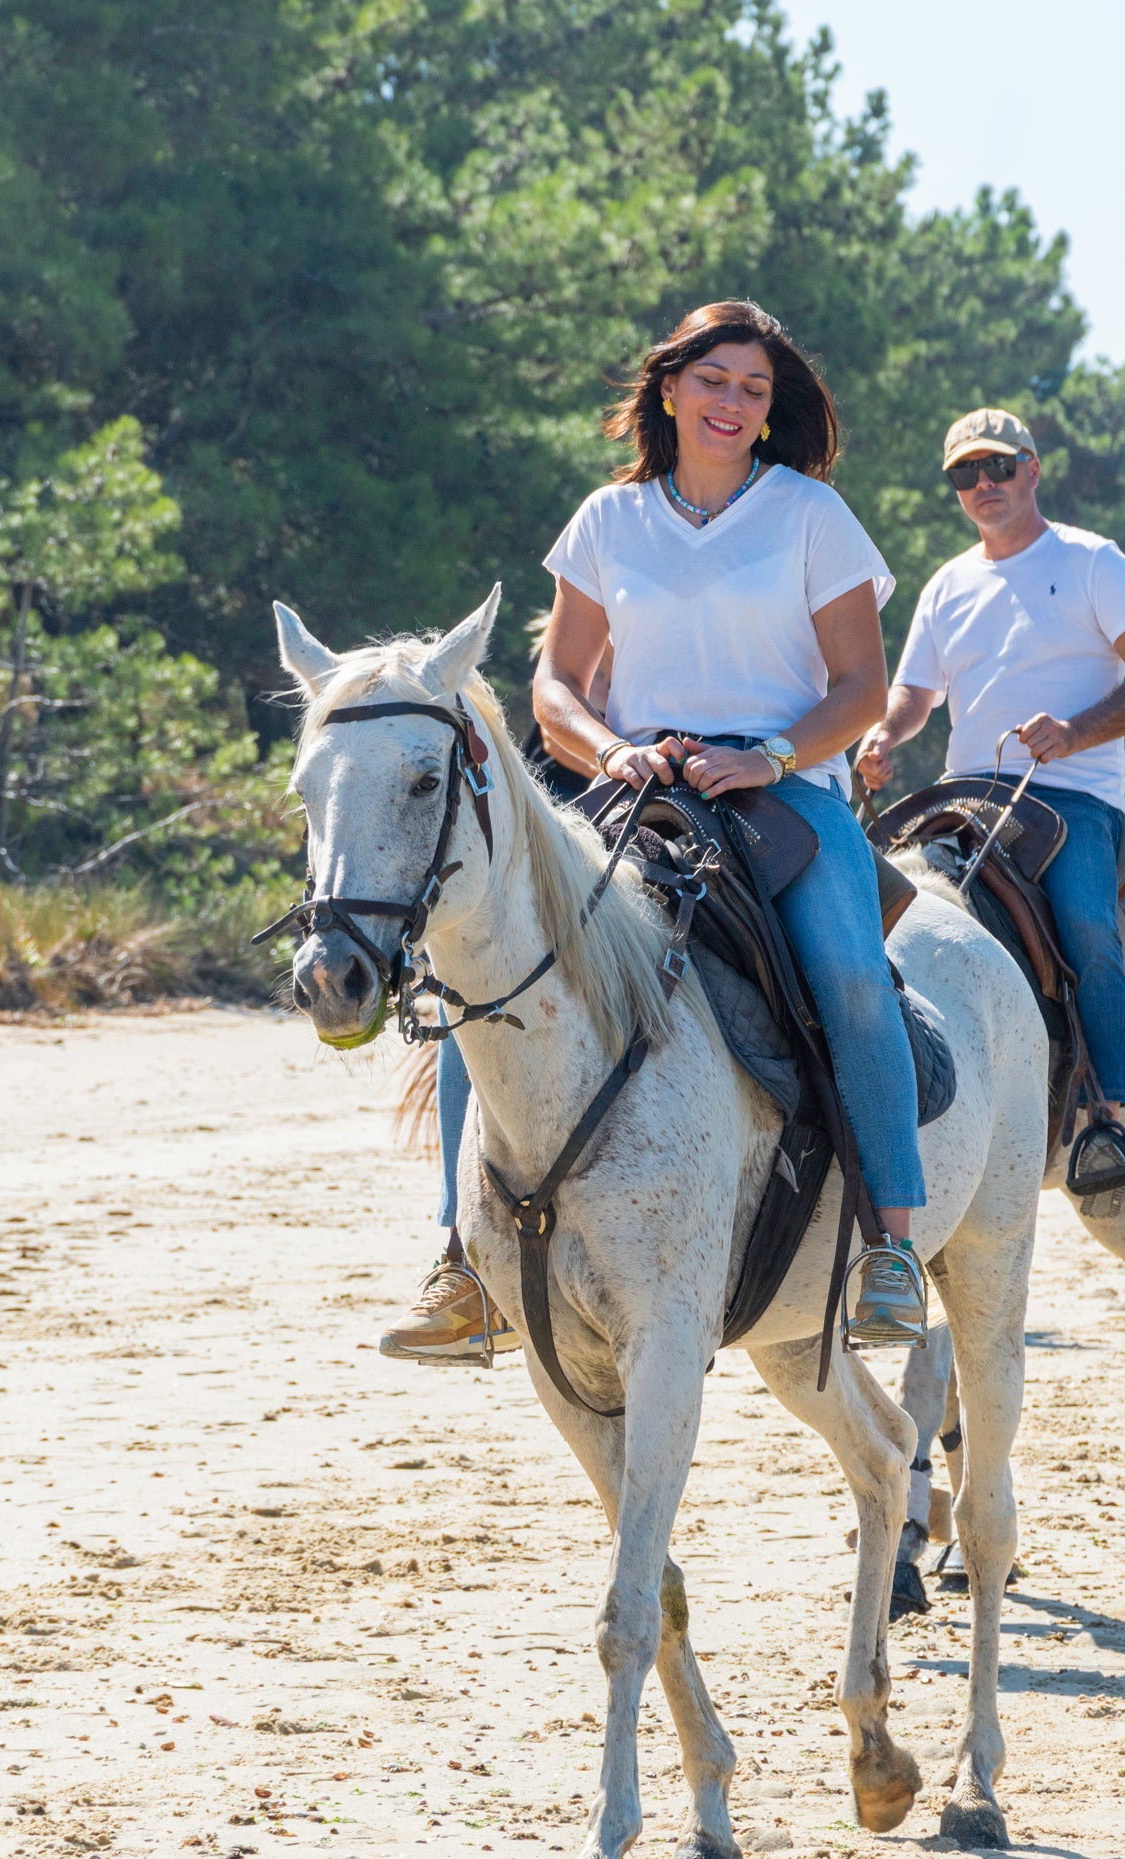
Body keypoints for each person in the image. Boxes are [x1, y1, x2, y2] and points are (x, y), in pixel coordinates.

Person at [381, 297, 928, 1361]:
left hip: (784, 796)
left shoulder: (813, 516)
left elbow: (862, 687)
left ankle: (890, 1246)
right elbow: (556, 686)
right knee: (483, 974)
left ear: (771, 413)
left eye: (754, 390)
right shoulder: (606, 520)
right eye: (714, 381)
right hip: (633, 790)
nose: (732, 402)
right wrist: (605, 748)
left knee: (854, 978)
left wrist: (768, 754)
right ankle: (463, 1263)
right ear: (670, 388)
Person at [855, 406, 1125, 1192]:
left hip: (1068, 796)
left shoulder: (1091, 562)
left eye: (997, 467)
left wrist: (1073, 732)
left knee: (1084, 927)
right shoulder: (946, 582)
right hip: (964, 798)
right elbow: (914, 691)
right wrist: (885, 734)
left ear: (1031, 468)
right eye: (964, 473)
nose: (982, 484)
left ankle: (1108, 1117)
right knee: (883, 908)